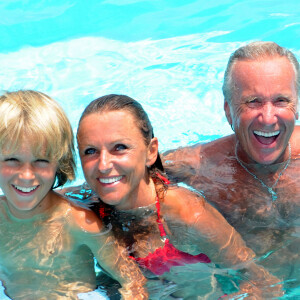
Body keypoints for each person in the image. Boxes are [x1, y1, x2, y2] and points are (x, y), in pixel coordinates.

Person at [74, 93, 283, 299]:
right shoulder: (86, 202)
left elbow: (265, 283)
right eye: (90, 151)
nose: (103, 165)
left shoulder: (187, 215)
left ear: (150, 152)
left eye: (119, 148)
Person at [163, 41, 300, 291]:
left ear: (297, 106)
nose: (268, 118)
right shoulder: (197, 165)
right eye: (253, 101)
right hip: (239, 290)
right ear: (228, 111)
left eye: (281, 101)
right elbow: (110, 183)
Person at [0, 90, 147, 300]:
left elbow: (132, 280)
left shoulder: (79, 223)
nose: (26, 175)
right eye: (12, 159)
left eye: (41, 160)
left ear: (59, 163)